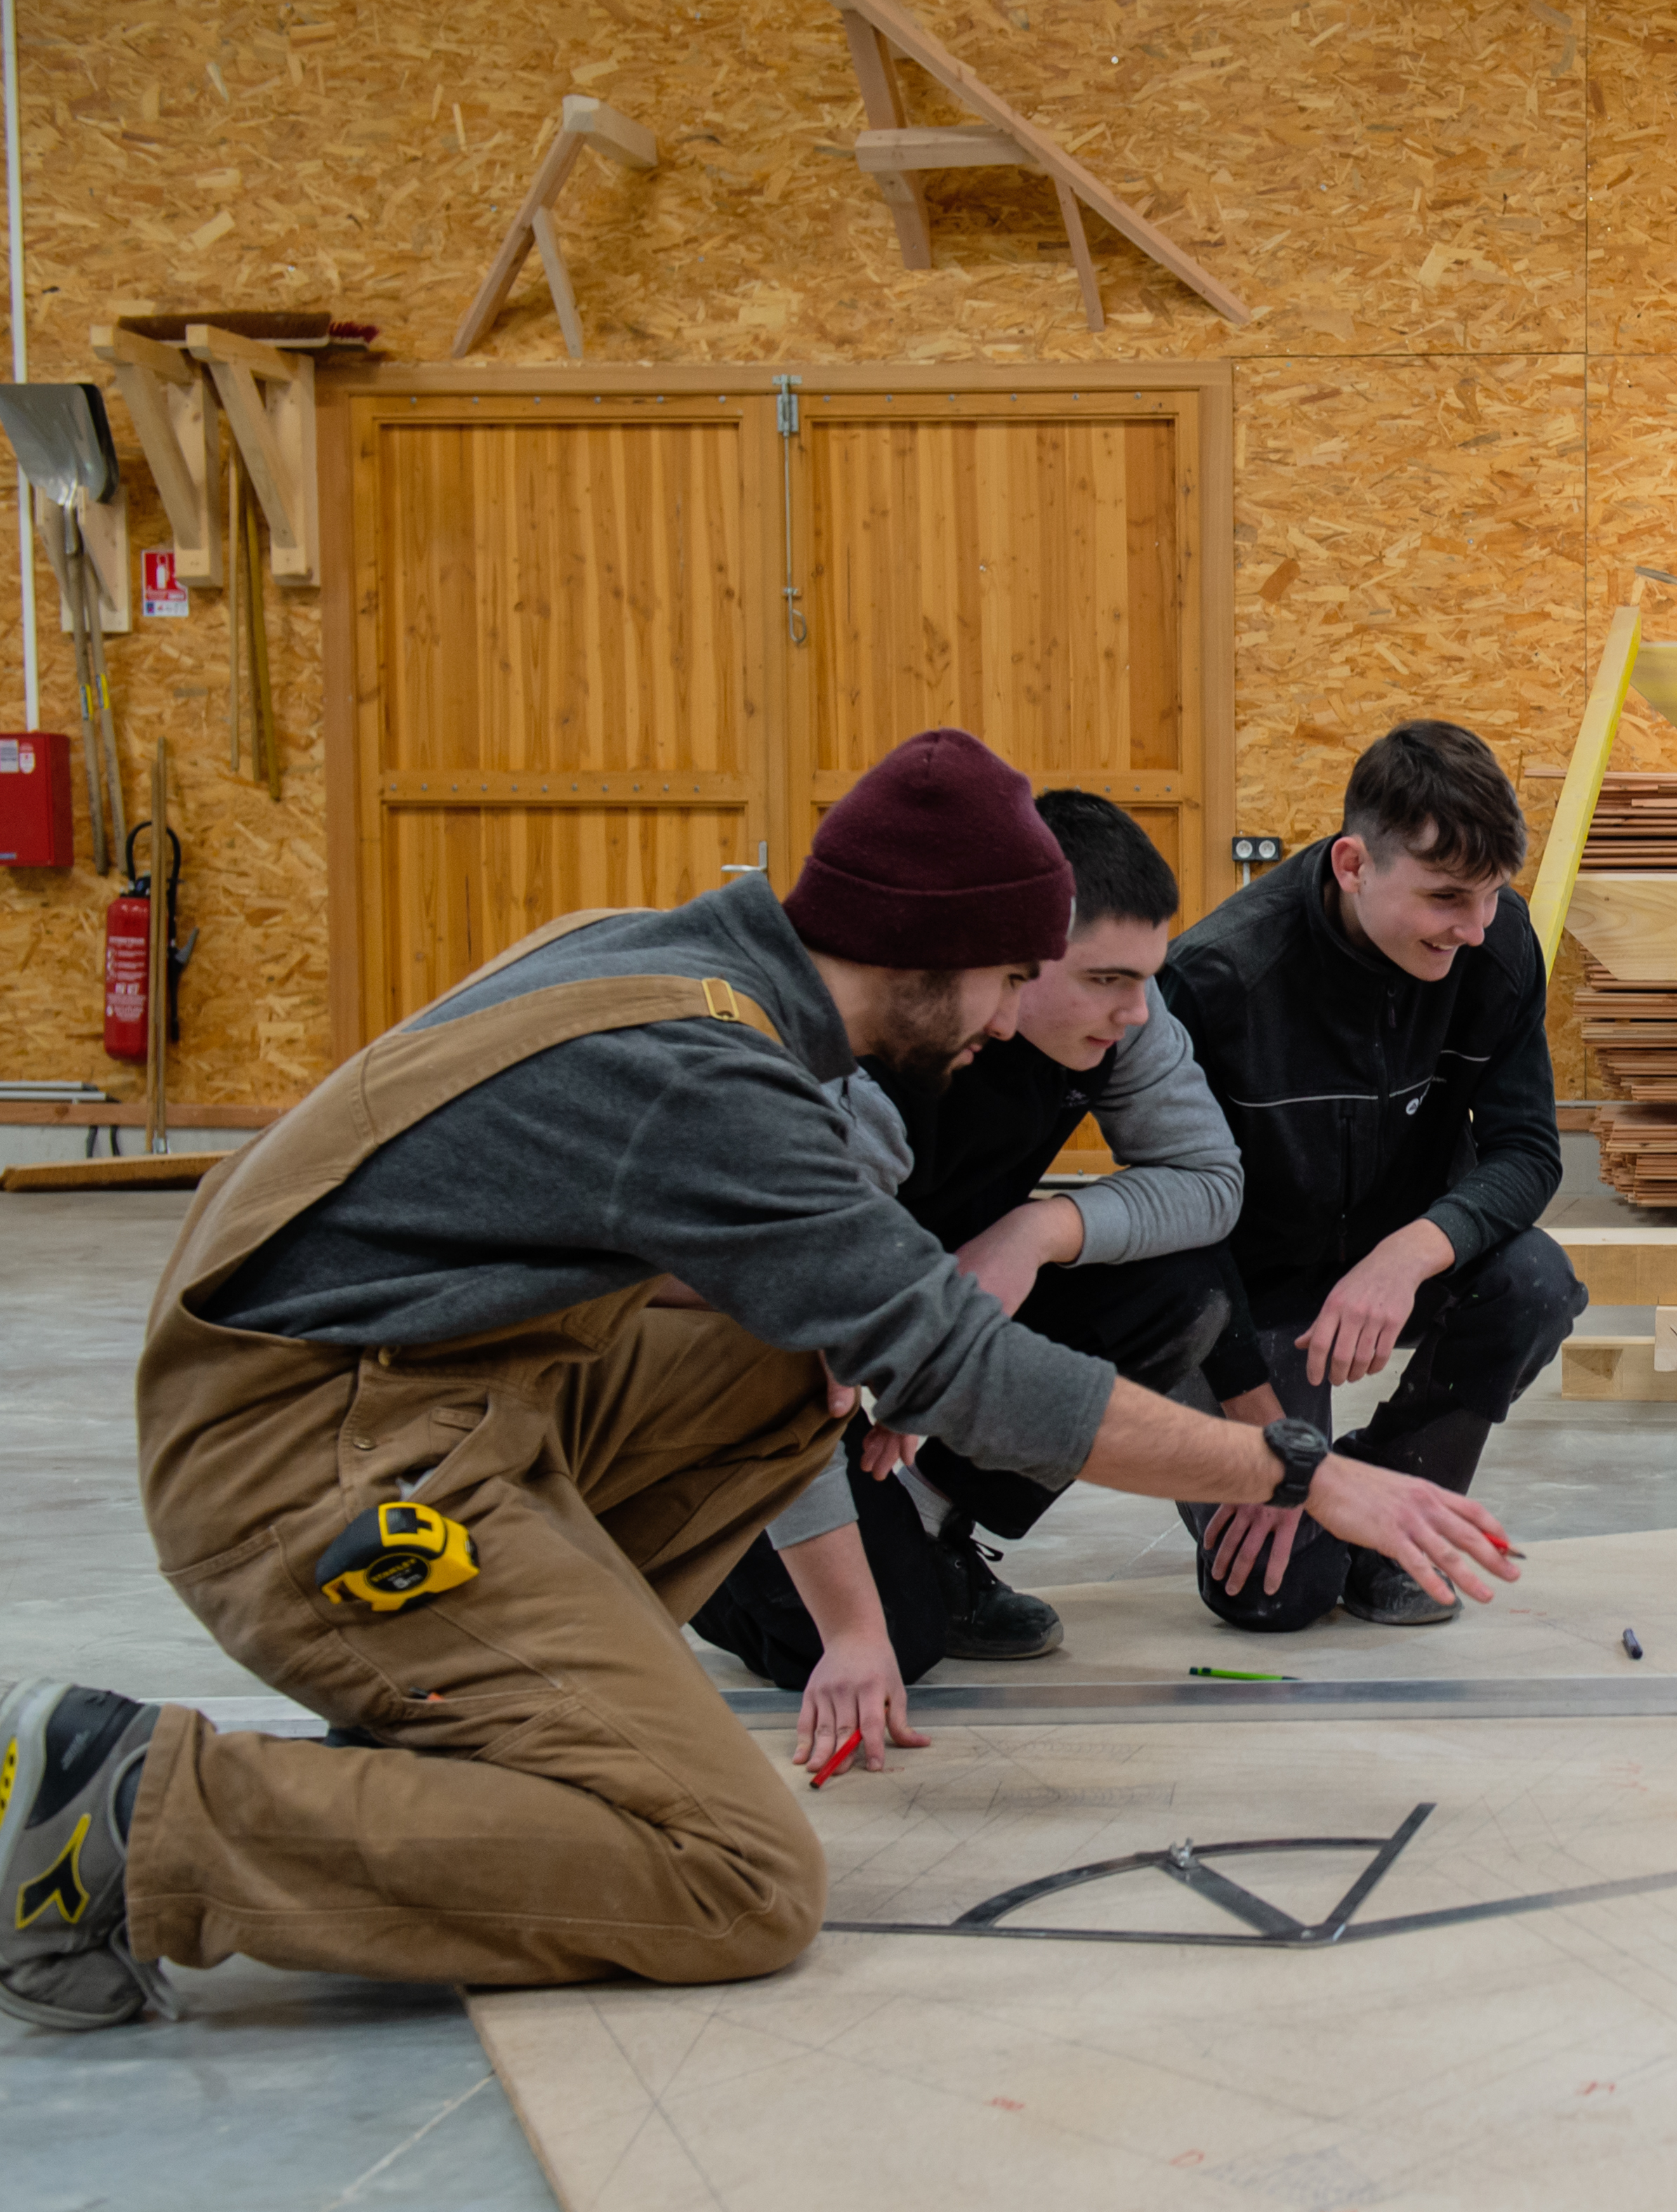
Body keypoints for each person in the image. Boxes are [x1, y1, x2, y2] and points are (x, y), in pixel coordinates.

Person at [0, 730, 1514, 2034]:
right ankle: (134, 1814)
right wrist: (1301, 1470)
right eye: (1003, 983)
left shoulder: (670, 957)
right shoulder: (717, 1084)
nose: (1006, 1025)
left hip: (418, 1388)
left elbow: (872, 1336)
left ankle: (459, 1748)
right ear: (931, 958)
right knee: (732, 1879)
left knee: (784, 1354)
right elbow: (964, 1369)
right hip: (306, 1465)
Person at [690, 789, 1265, 1690]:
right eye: (1105, 979)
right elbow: (770, 1315)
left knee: (1183, 1281)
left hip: (910, 1300)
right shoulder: (860, 1054)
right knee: (878, 1642)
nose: (1138, 1012)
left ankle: (927, 1522)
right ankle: (682, 1545)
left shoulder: (1131, 1021)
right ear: (1012, 951)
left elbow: (1209, 1183)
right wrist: (906, 1342)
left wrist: (1036, 1231)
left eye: (1146, 976)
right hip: (783, 1342)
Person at [1158, 718, 1586, 1633]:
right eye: (1444, 900)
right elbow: (1176, 1227)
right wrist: (1264, 1438)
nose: (1474, 929)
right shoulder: (1220, 978)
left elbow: (1527, 1150)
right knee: (1274, 1599)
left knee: (1533, 1280)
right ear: (1353, 865)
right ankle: (1283, 1468)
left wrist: (1410, 1252)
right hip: (1251, 1291)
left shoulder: (1494, 941)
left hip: (1394, 1256)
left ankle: (1385, 1483)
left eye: (1490, 896)